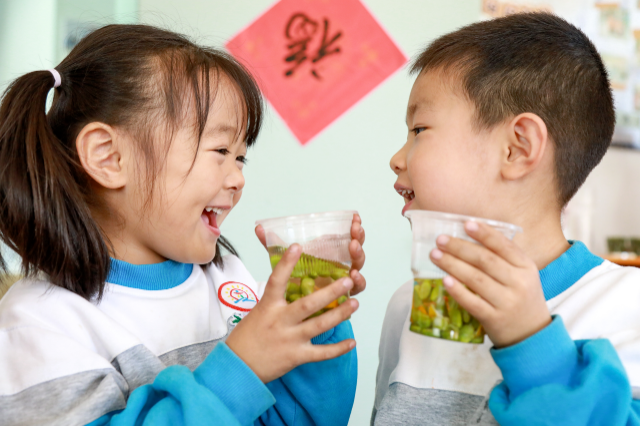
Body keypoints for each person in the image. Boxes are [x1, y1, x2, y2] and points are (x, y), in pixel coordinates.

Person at [0, 24, 367, 426]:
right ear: (109, 157)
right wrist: (240, 368)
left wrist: (314, 315)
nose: (238, 178)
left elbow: (299, 419)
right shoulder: (38, 326)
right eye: (220, 150)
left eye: (241, 158)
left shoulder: (229, 282)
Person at [373, 12, 640, 426]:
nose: (396, 159)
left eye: (420, 129)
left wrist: (532, 342)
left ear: (517, 148)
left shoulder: (626, 307)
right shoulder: (407, 307)